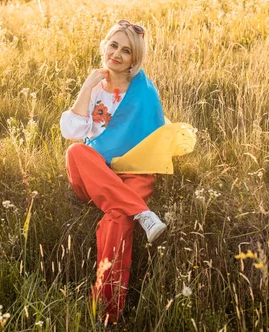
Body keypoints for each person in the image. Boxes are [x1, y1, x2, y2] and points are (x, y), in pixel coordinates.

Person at [60, 20, 194, 324]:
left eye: (126, 51)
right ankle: (142, 212)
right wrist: (85, 87)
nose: (117, 54)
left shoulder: (143, 92)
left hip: (134, 170)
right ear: (104, 46)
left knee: (117, 219)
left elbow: (154, 136)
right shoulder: (95, 89)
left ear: (135, 59)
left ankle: (106, 315)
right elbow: (72, 130)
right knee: (76, 152)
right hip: (94, 174)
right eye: (113, 45)